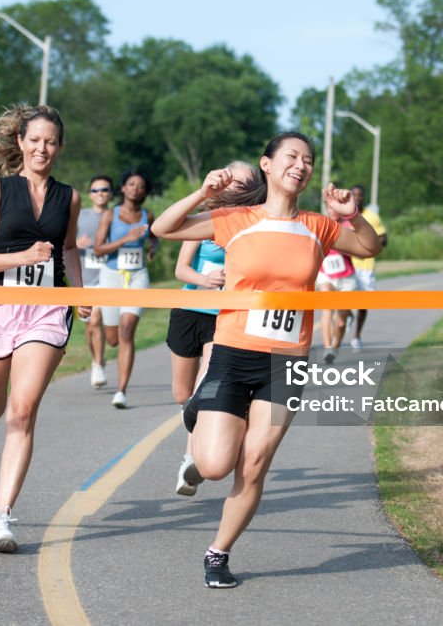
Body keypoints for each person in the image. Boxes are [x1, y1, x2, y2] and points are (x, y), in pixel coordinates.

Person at [152, 132, 382, 588]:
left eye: (308, 160)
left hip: (286, 362)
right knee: (216, 466)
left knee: (254, 462)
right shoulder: (235, 218)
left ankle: (218, 553)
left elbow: (371, 247)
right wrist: (204, 192)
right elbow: (164, 228)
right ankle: (199, 419)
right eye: (292, 157)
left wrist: (350, 213)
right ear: (268, 165)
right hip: (234, 354)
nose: (301, 165)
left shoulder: (319, 226)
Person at [0, 104, 89, 554]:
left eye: (51, 141)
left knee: (22, 411)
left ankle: (0, 519)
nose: (43, 148)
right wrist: (22, 257)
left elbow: (69, 249)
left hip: (46, 310)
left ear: (60, 147)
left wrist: (80, 291)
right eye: (35, 140)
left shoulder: (69, 197)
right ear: (20, 142)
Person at [166, 161, 265, 497]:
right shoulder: (206, 219)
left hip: (224, 317)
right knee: (183, 394)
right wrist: (204, 280)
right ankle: (194, 422)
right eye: (228, 175)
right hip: (188, 311)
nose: (230, 181)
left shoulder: (253, 225)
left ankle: (189, 459)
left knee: (202, 385)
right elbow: (181, 269)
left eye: (239, 179)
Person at [93, 168, 158, 409]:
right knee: (112, 339)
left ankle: (121, 391)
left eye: (140, 186)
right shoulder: (111, 214)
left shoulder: (147, 215)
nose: (135, 189)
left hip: (138, 276)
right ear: (123, 188)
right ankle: (102, 361)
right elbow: (99, 249)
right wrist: (125, 239)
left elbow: (154, 236)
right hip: (111, 276)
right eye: (131, 184)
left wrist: (152, 247)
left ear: (144, 192)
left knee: (127, 330)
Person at [77, 174, 114, 388]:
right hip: (85, 278)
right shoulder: (80, 216)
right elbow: (64, 242)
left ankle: (99, 364)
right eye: (95, 190)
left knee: (96, 319)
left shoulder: (117, 216)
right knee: (90, 327)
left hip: (108, 277)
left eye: (104, 190)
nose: (100, 193)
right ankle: (95, 360)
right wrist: (76, 242)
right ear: (90, 194)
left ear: (110, 193)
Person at [347, 184, 387, 351]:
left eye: (359, 195)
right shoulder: (344, 215)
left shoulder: (372, 216)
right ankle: (347, 313)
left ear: (363, 197)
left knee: (363, 304)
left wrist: (368, 245)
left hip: (366, 266)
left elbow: (384, 239)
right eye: (353, 195)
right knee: (343, 298)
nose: (356, 198)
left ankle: (356, 337)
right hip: (347, 265)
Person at [315, 205, 356, 364]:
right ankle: (327, 348)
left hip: (346, 276)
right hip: (326, 274)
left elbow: (358, 249)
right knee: (327, 310)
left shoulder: (348, 226)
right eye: (329, 208)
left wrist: (344, 246)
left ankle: (336, 346)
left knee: (340, 321)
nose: (333, 212)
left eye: (335, 209)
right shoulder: (321, 224)